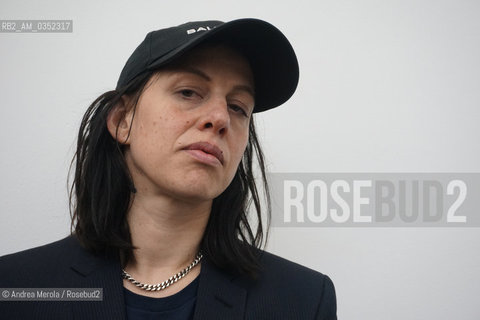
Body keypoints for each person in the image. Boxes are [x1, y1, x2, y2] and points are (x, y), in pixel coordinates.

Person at [0, 18, 337, 319]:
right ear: (121, 121)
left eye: (237, 107)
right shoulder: (16, 287)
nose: (219, 118)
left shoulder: (303, 300)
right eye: (188, 91)